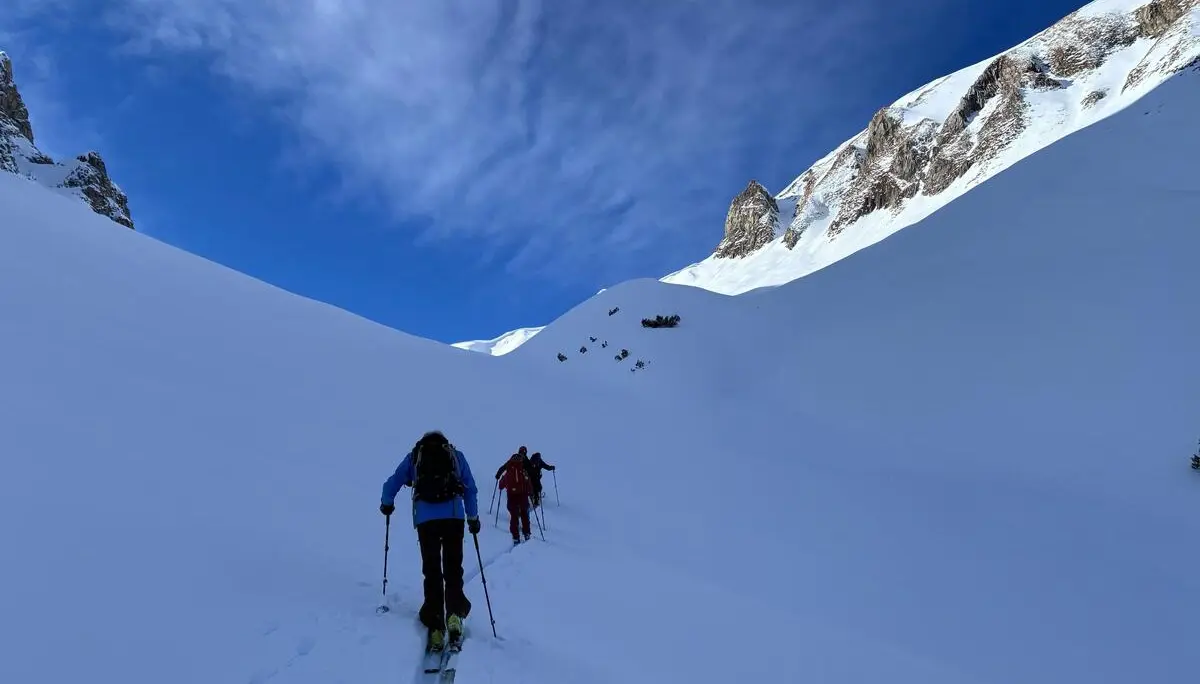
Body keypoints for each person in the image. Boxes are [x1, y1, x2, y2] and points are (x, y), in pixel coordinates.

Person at [380, 430, 481, 650]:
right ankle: (454, 615)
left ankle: (435, 625)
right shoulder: (455, 455)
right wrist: (473, 518)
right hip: (453, 517)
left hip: (426, 520)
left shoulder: (415, 456)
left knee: (432, 569)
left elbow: (392, 483)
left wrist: (386, 503)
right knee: (453, 568)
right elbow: (470, 488)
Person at [497, 453, 533, 544]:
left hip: (511, 496)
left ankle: (515, 536)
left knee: (514, 516)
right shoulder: (523, 471)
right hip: (523, 496)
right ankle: (527, 533)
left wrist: (501, 484)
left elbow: (501, 485)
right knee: (524, 514)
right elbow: (528, 484)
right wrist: (530, 492)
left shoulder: (509, 471)